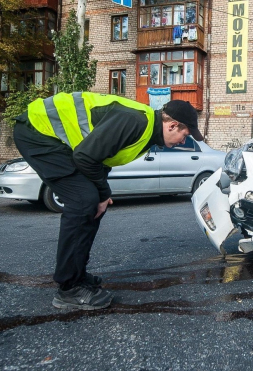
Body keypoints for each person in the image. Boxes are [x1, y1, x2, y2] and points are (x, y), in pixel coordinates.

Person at [13, 93, 203, 310]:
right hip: (37, 130)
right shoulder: (137, 122)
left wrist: (101, 194)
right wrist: (103, 193)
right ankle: (69, 288)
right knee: (83, 201)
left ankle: (77, 275)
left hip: (51, 137)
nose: (183, 141)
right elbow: (85, 157)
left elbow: (101, 158)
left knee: (90, 203)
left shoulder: (148, 133)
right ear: (172, 126)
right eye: (185, 135)